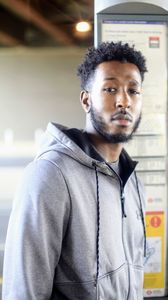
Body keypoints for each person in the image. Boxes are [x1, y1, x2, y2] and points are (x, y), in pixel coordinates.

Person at [2, 41, 147, 300]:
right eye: (110, 88)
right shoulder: (50, 173)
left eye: (133, 91)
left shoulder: (133, 179)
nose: (124, 101)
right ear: (86, 99)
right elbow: (23, 291)